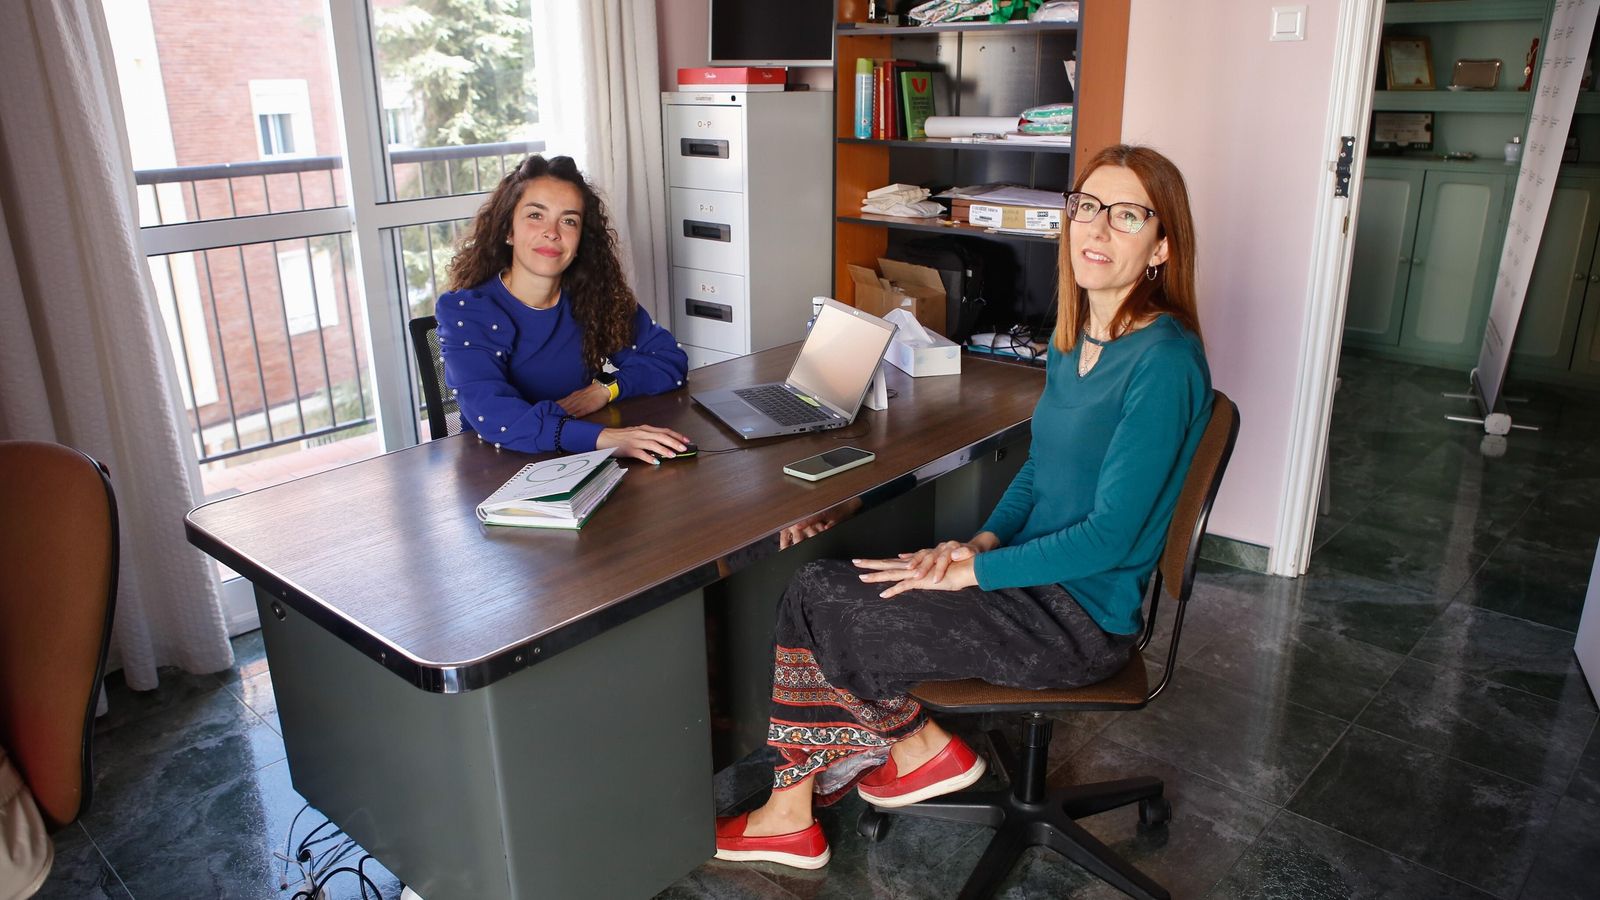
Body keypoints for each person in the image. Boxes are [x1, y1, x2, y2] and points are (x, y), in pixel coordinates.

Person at [713, 145, 1213, 869]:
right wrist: (979, 544)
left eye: (1128, 215)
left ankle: (906, 752)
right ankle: (812, 798)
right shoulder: (1078, 340)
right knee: (817, 586)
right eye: (1089, 207)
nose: (1098, 230)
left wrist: (970, 576)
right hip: (1024, 580)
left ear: (1161, 246)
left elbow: (1109, 539)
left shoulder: (1164, 362)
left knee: (830, 605)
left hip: (1077, 621)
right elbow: (1040, 470)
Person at [436, 155, 691, 462]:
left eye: (568, 221)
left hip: (580, 462)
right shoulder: (466, 311)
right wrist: (605, 438)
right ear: (509, 231)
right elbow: (497, 417)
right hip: (498, 471)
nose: (552, 232)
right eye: (535, 216)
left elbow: (669, 360)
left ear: (581, 240)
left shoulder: (594, 297)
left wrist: (605, 390)